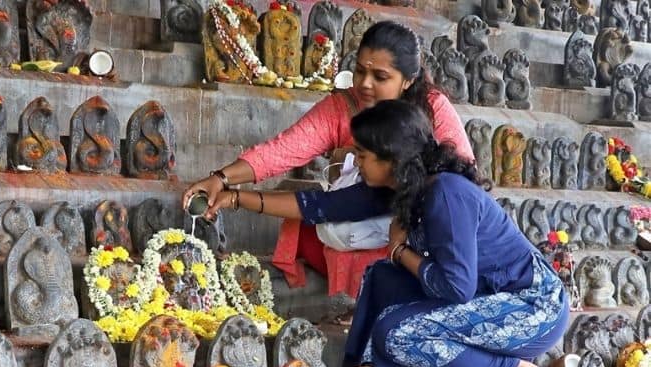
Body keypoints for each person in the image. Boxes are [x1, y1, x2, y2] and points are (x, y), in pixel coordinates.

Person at [211, 100, 570, 367]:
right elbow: (322, 206)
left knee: (397, 334)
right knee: (382, 277)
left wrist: (400, 251)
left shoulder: (445, 193)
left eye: (364, 157)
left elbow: (456, 287)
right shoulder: (403, 185)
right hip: (485, 295)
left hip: (531, 307)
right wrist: (232, 196)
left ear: (393, 160)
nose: (358, 163)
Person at [183, 21, 474, 295]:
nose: (365, 84)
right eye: (360, 72)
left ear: (408, 81)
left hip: (421, 227)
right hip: (353, 209)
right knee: (309, 224)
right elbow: (283, 150)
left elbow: (459, 182)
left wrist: (404, 227)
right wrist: (221, 179)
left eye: (380, 77)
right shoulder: (342, 106)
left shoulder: (433, 107)